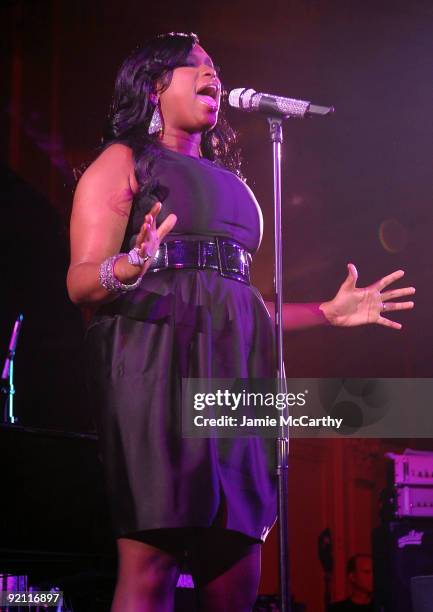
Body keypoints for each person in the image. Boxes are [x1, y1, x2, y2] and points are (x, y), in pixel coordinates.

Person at [66, 32, 415, 612]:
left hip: (236, 367)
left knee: (236, 557)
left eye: (216, 67)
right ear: (156, 86)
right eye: (196, 66)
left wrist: (327, 313)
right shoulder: (124, 161)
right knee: (153, 555)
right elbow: (80, 281)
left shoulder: (235, 184)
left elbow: (240, 304)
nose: (213, 75)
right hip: (155, 364)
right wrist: (129, 263)